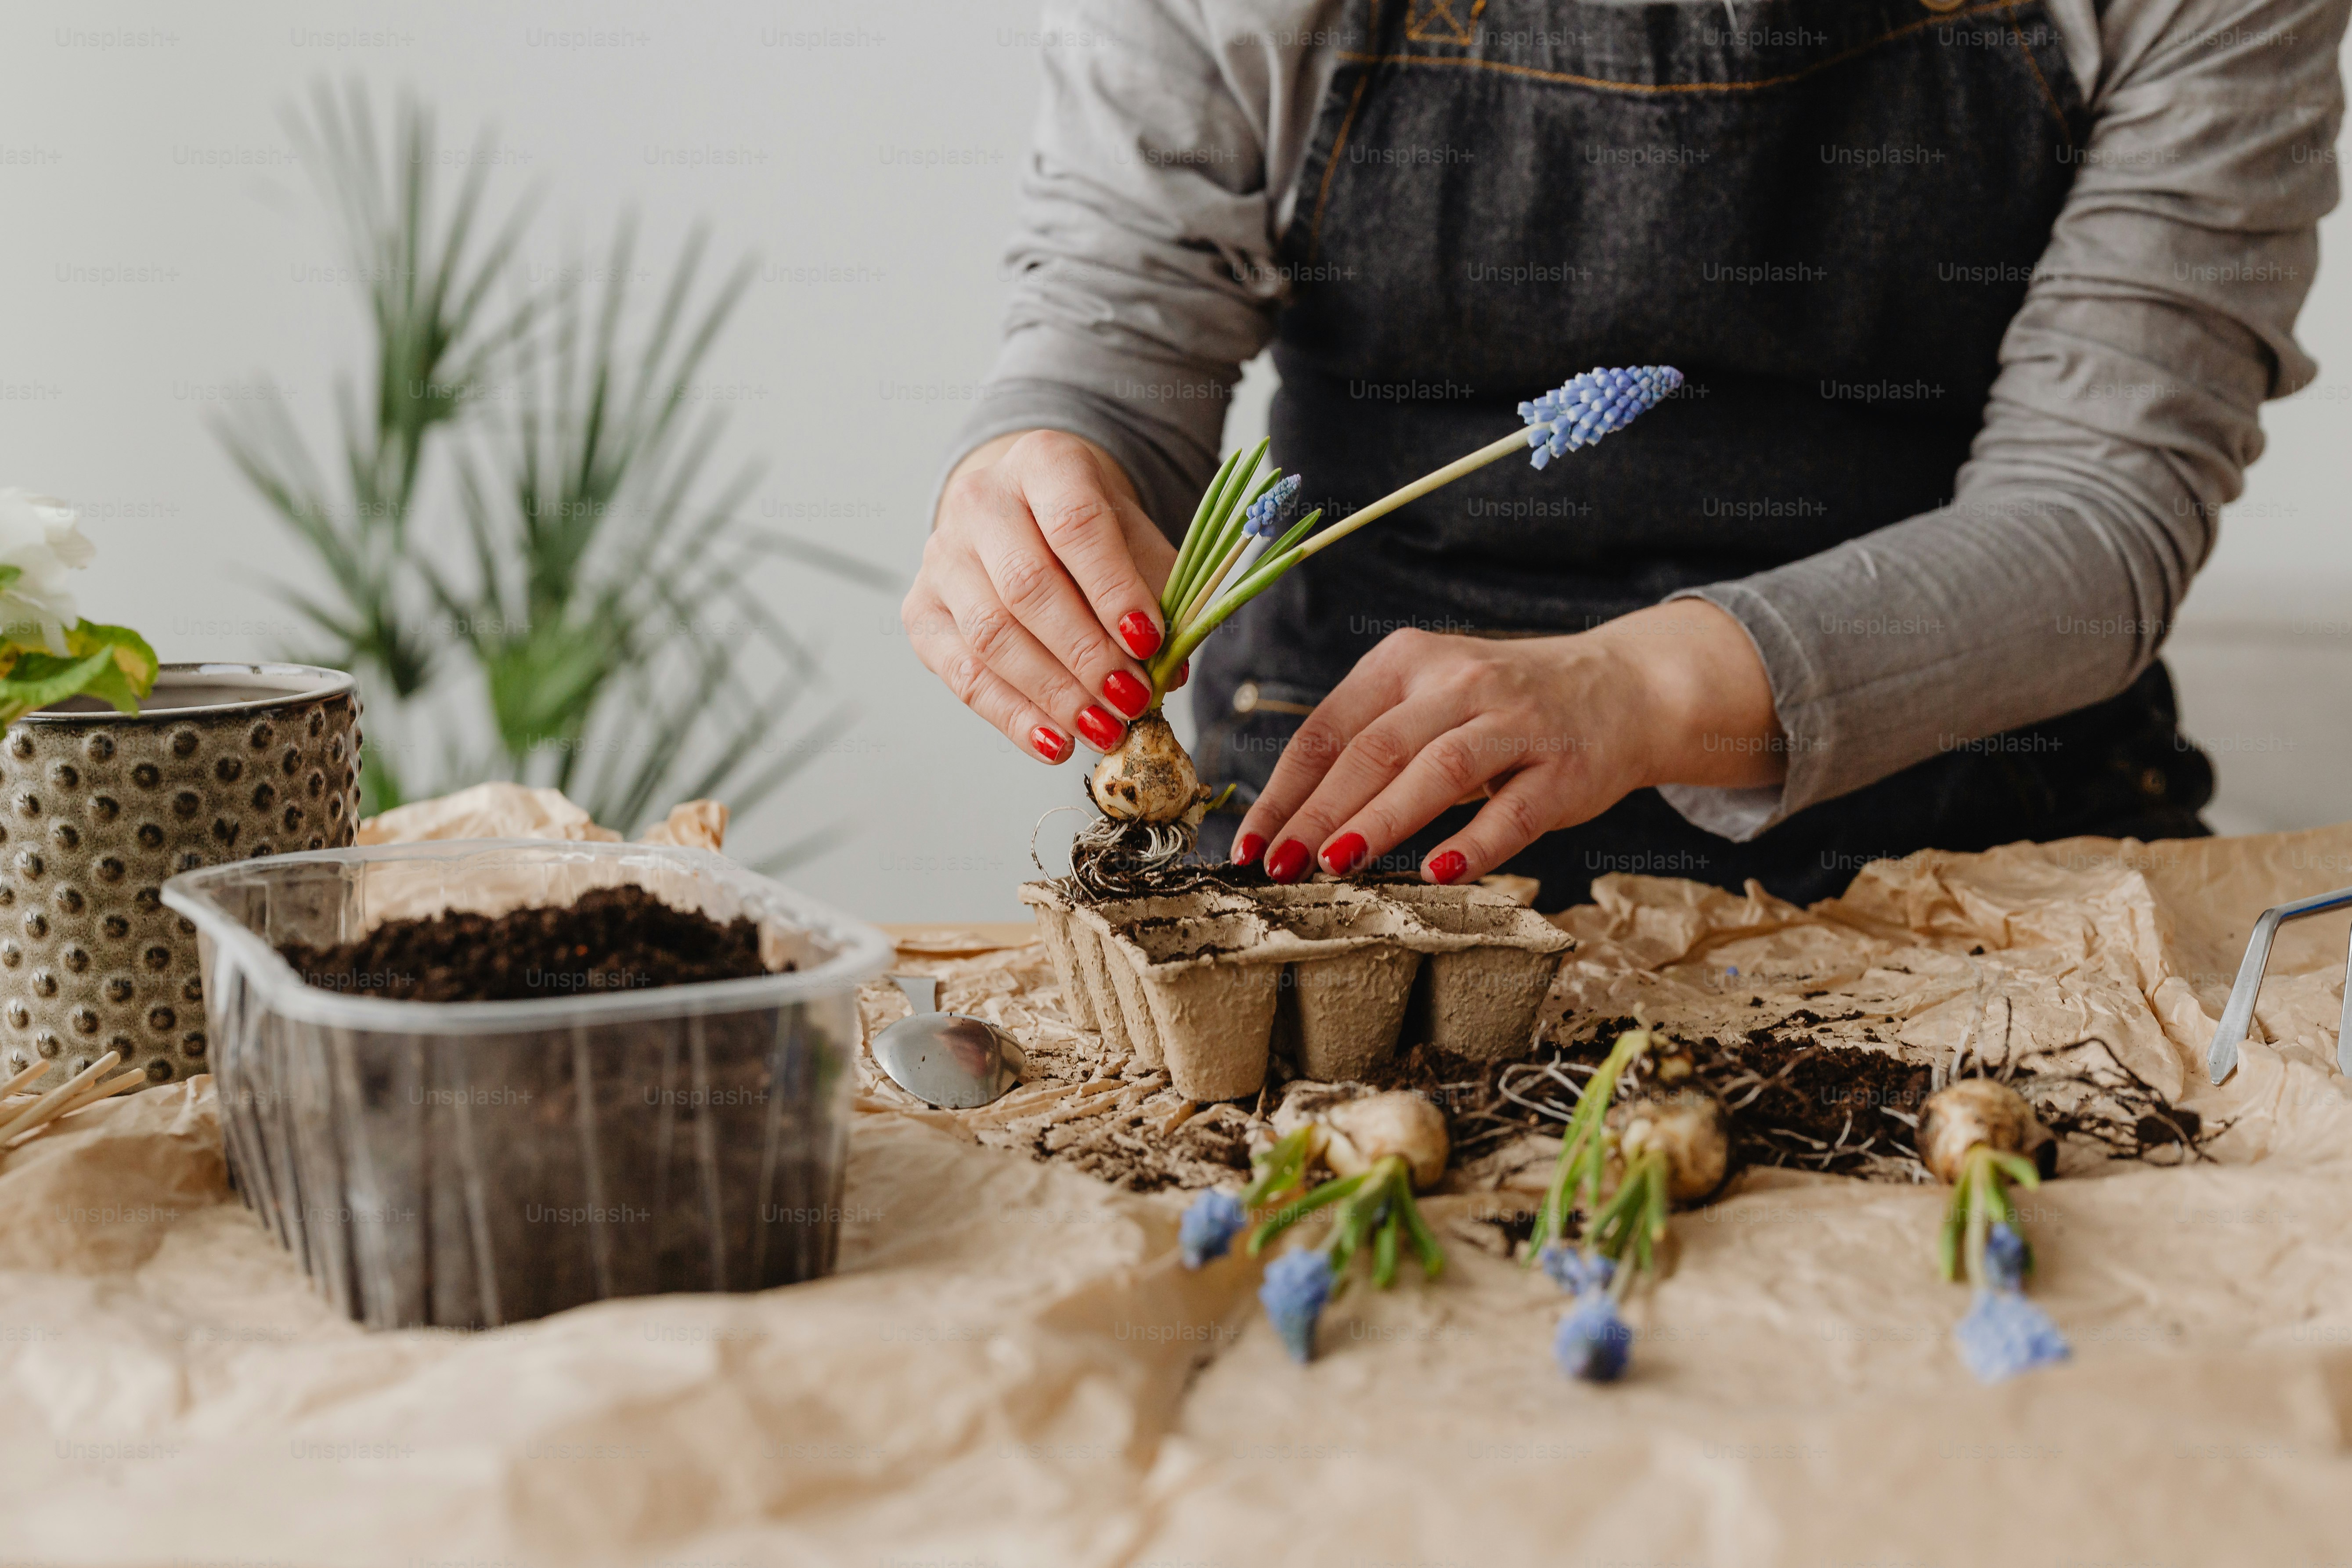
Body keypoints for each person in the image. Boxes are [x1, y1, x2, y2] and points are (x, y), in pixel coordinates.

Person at [908, 0, 2343, 909]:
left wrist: (1634, 686)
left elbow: (2093, 523)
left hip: (1991, 849)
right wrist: (1038, 463)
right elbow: (1115, 325)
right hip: (1355, 851)